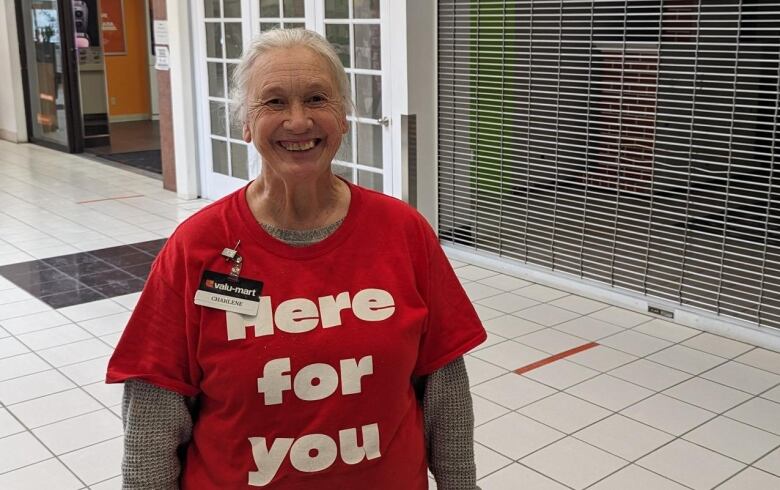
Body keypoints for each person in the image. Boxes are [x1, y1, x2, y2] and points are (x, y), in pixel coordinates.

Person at [106, 28, 486, 489]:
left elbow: (445, 389)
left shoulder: (403, 232)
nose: (299, 120)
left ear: (343, 116)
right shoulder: (198, 246)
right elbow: (154, 411)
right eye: (274, 103)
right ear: (245, 124)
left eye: (316, 98)